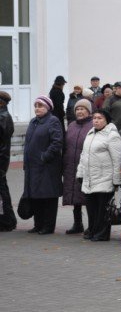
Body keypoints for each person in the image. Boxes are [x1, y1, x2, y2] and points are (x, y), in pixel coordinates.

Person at [77, 109, 121, 241]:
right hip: (89, 178)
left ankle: (102, 233)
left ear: (106, 120)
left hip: (104, 177)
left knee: (103, 209)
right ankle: (92, 230)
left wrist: (117, 180)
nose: (96, 120)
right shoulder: (90, 133)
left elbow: (117, 159)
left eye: (100, 118)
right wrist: (80, 173)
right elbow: (83, 155)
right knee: (91, 208)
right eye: (94, 118)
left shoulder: (112, 135)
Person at [23, 96, 64, 234]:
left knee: (48, 197)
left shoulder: (53, 121)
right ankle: (38, 224)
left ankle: (48, 226)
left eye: (40, 106)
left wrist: (44, 157)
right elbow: (28, 144)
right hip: (32, 167)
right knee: (35, 197)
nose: (37, 108)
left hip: (47, 167)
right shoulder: (33, 122)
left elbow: (57, 142)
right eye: (36, 105)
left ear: (48, 107)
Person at [62, 98, 93, 235]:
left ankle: (92, 225)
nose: (80, 112)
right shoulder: (71, 125)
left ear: (88, 111)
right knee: (75, 198)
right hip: (71, 166)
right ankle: (77, 223)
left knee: (88, 197)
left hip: (87, 166)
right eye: (77, 109)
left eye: (82, 109)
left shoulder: (93, 125)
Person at [0, 91, 16, 231]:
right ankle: (7, 219)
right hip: (2, 158)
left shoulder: (3, 117)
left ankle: (7, 220)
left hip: (1, 159)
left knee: (2, 190)